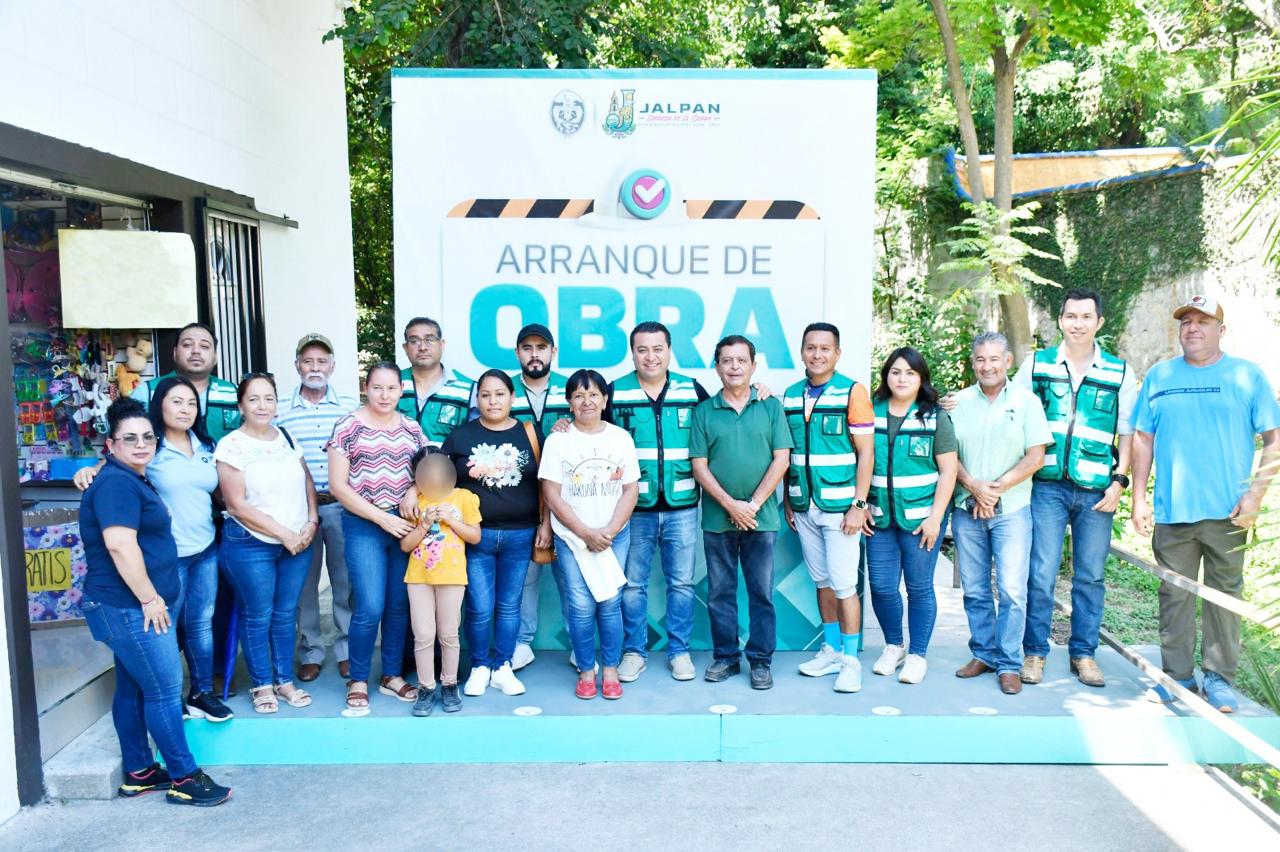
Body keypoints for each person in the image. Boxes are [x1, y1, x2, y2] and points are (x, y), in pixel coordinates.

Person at [79, 397, 231, 806]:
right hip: (128, 608)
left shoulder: (129, 477)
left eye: (147, 437)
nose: (141, 444)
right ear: (111, 445)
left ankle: (140, 772)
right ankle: (185, 778)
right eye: (130, 439)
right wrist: (150, 599)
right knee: (164, 689)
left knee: (132, 688)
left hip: (127, 606)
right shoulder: (116, 484)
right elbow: (119, 545)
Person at [1132, 295, 1280, 713]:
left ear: (1221, 330)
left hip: (1228, 513)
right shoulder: (1160, 376)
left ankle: (1218, 679)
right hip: (1173, 511)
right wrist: (1138, 498)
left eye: (1203, 321)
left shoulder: (1247, 375)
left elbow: (1274, 438)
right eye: (1187, 322)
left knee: (1223, 598)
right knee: (1174, 597)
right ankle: (1177, 676)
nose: (1193, 328)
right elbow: (1143, 437)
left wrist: (1255, 495)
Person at [1017, 289, 1136, 688]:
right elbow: (1011, 411)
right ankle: (1035, 652)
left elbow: (1127, 432)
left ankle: (1083, 654)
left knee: (1090, 577)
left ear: (1099, 322)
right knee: (1041, 573)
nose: (1078, 324)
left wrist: (1119, 481)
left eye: (1086, 317)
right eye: (1071, 316)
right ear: (1060, 320)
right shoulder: (1037, 365)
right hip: (1046, 486)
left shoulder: (1119, 372)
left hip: (1096, 490)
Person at [948, 332, 1052, 695]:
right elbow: (946, 455)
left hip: (1012, 511)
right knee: (975, 589)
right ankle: (984, 653)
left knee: (1012, 591)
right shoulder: (957, 403)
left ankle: (1008, 663)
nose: (987, 366)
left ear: (1008, 361)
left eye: (994, 359)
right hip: (967, 510)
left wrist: (993, 489)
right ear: (973, 363)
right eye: (980, 359)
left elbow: (1035, 457)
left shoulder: (1027, 402)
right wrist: (973, 486)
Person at [609, 321, 711, 684]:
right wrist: (564, 426)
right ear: (632, 353)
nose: (650, 357)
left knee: (681, 583)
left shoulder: (691, 389)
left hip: (682, 506)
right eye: (642, 350)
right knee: (632, 585)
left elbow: (719, 420)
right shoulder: (615, 392)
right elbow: (592, 433)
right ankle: (634, 652)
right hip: (633, 509)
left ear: (669, 351)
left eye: (657, 349)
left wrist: (758, 390)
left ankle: (679, 652)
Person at [690, 335, 793, 690]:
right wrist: (731, 505)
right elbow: (699, 466)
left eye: (741, 360)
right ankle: (726, 657)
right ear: (717, 367)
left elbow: (782, 459)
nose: (734, 367)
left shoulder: (771, 407)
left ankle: (761, 661)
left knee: (761, 592)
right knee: (720, 592)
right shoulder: (704, 411)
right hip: (717, 519)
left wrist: (753, 504)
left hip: (761, 520)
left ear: (753, 365)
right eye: (727, 360)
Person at [215, 373, 318, 714]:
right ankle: (262, 684)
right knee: (258, 615)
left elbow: (306, 482)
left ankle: (284, 681)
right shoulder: (231, 445)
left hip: (297, 543)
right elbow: (236, 505)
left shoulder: (286, 437)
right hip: (251, 543)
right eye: (254, 399)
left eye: (269, 398)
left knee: (286, 614)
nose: (262, 405)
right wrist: (285, 534)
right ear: (241, 405)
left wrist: (311, 521)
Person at [441, 369, 546, 697]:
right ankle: (479, 667)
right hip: (476, 536)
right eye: (485, 395)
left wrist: (546, 524)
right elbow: (437, 476)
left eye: (500, 394)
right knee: (479, 606)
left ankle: (502, 666)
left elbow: (547, 483)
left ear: (512, 397)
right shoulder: (461, 436)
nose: (493, 401)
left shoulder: (530, 433)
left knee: (510, 605)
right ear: (477, 399)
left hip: (521, 534)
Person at [784, 322, 875, 694]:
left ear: (837, 353)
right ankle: (832, 650)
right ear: (802, 352)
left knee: (844, 585)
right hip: (804, 505)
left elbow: (866, 453)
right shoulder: (791, 395)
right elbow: (788, 453)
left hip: (840, 508)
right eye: (811, 348)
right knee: (822, 581)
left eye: (825, 348)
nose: (817, 354)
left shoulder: (852, 391)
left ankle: (851, 662)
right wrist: (790, 499)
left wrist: (859, 505)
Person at [328, 361, 424, 710]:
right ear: (365, 388)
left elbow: (426, 471)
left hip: (405, 525)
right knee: (369, 605)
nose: (385, 395)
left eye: (392, 388)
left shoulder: (412, 428)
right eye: (377, 387)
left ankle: (392, 675)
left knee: (399, 604)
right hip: (365, 524)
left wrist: (413, 491)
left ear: (402, 390)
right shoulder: (348, 426)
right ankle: (358, 678)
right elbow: (338, 487)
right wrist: (382, 519)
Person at [540, 369, 641, 700]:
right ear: (569, 402)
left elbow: (630, 490)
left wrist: (608, 531)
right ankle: (586, 670)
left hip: (614, 536)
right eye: (579, 396)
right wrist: (585, 533)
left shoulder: (620, 438)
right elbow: (551, 494)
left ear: (605, 400)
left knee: (610, 602)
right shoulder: (558, 441)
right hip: (572, 539)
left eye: (594, 394)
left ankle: (610, 669)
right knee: (581, 605)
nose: (587, 401)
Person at [866, 348, 958, 685]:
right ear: (886, 376)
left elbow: (948, 471)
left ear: (921, 379)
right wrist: (861, 504)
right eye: (895, 372)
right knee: (881, 586)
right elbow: (859, 459)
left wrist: (936, 518)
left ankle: (918, 654)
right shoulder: (870, 411)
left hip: (922, 520)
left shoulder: (935, 417)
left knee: (918, 588)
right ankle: (895, 646)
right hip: (879, 517)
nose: (901, 379)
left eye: (910, 373)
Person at [276, 333, 358, 683]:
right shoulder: (279, 408)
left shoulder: (350, 407)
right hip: (299, 511)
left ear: (332, 366)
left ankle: (347, 650)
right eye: (307, 361)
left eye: (321, 361)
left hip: (341, 506)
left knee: (345, 581)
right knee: (303, 584)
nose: (315, 367)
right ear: (297, 365)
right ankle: (310, 651)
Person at [399, 450, 481, 716]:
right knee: (423, 635)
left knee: (448, 634)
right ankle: (425, 687)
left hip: (452, 577)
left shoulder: (464, 498)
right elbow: (405, 545)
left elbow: (475, 536)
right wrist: (424, 524)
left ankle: (449, 684)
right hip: (418, 578)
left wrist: (451, 520)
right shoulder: (415, 503)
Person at [510, 324, 570, 671]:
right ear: (517, 353)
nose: (535, 354)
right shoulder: (503, 390)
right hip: (518, 500)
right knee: (525, 577)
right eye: (527, 348)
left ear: (553, 352)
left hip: (567, 501)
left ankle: (580, 644)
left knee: (571, 578)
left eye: (541, 347)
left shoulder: (573, 388)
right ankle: (521, 643)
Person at [131, 322, 240, 441]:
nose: (196, 351)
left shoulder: (236, 393)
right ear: (175, 353)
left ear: (215, 357)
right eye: (187, 345)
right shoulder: (146, 392)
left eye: (204, 346)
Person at [397, 316, 475, 448]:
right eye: (414, 341)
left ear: (442, 345)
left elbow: (476, 438)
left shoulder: (467, 388)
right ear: (405, 348)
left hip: (447, 461)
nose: (422, 347)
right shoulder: (392, 382)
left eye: (429, 340)